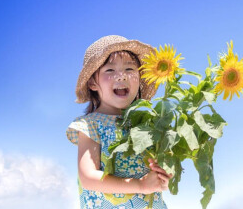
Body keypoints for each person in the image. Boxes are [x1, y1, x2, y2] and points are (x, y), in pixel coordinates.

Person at [66, 35, 172, 209]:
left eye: (130, 69)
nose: (122, 76)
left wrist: (162, 179)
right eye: (110, 70)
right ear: (93, 82)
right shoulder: (90, 125)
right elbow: (88, 177)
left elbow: (158, 178)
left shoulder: (147, 126)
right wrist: (140, 186)